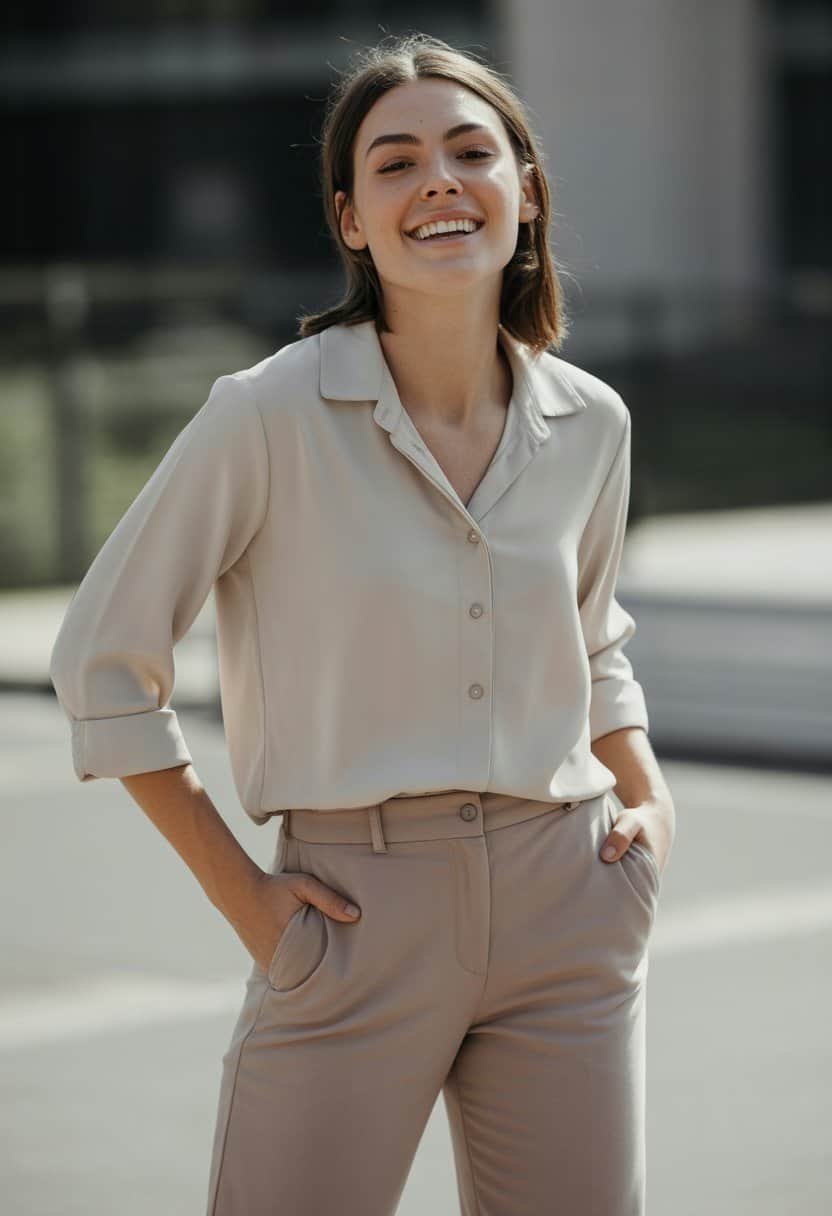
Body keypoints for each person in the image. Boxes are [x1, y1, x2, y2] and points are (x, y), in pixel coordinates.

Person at [49, 32, 676, 1216]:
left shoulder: (591, 421)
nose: (437, 179)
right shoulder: (269, 412)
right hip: (349, 918)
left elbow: (591, 641)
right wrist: (248, 900)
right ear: (350, 219)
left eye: (470, 150)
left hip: (570, 903)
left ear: (524, 191)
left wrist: (647, 807)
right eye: (395, 163)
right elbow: (102, 661)